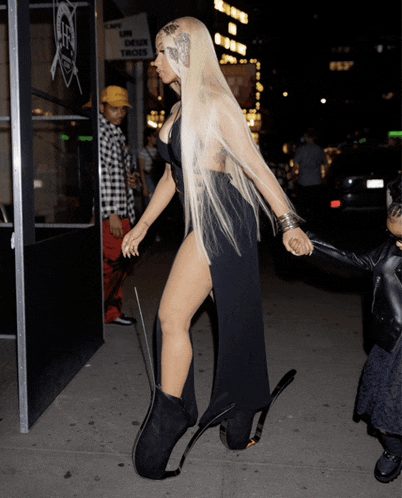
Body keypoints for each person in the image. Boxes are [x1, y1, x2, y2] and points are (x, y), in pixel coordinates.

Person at [122, 17, 313, 480]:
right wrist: (144, 224)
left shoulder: (213, 106)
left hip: (223, 220)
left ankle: (171, 416)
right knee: (235, 322)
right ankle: (239, 414)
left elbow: (258, 169)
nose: (156, 60)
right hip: (206, 219)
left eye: (164, 51)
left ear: (186, 55)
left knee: (171, 317)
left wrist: (288, 222)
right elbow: (172, 174)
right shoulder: (174, 110)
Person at [307, 174, 402, 484]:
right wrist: (311, 246)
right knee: (383, 416)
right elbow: (359, 261)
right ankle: (394, 451)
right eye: (394, 236)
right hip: (391, 343)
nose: (396, 243)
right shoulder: (391, 247)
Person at [84, 86, 137, 326]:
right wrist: (112, 212)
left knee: (119, 266)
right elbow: (101, 176)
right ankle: (105, 313)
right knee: (112, 265)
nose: (119, 114)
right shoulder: (103, 133)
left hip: (121, 209)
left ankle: (110, 312)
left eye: (122, 110)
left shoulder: (115, 133)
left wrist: (130, 180)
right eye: (114, 108)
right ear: (102, 107)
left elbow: (115, 173)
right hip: (112, 213)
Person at [294, 130, 328, 225]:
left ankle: (305, 224)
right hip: (317, 181)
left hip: (303, 182)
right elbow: (326, 166)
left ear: (306, 137)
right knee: (316, 207)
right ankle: (316, 225)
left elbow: (295, 166)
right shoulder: (320, 150)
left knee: (303, 206)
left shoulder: (301, 150)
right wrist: (324, 178)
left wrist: (294, 176)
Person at [138, 127, 164, 207]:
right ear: (149, 138)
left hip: (157, 178)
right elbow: (142, 170)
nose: (156, 139)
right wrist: (145, 187)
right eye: (154, 136)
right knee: (151, 203)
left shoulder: (158, 151)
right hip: (149, 178)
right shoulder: (143, 152)